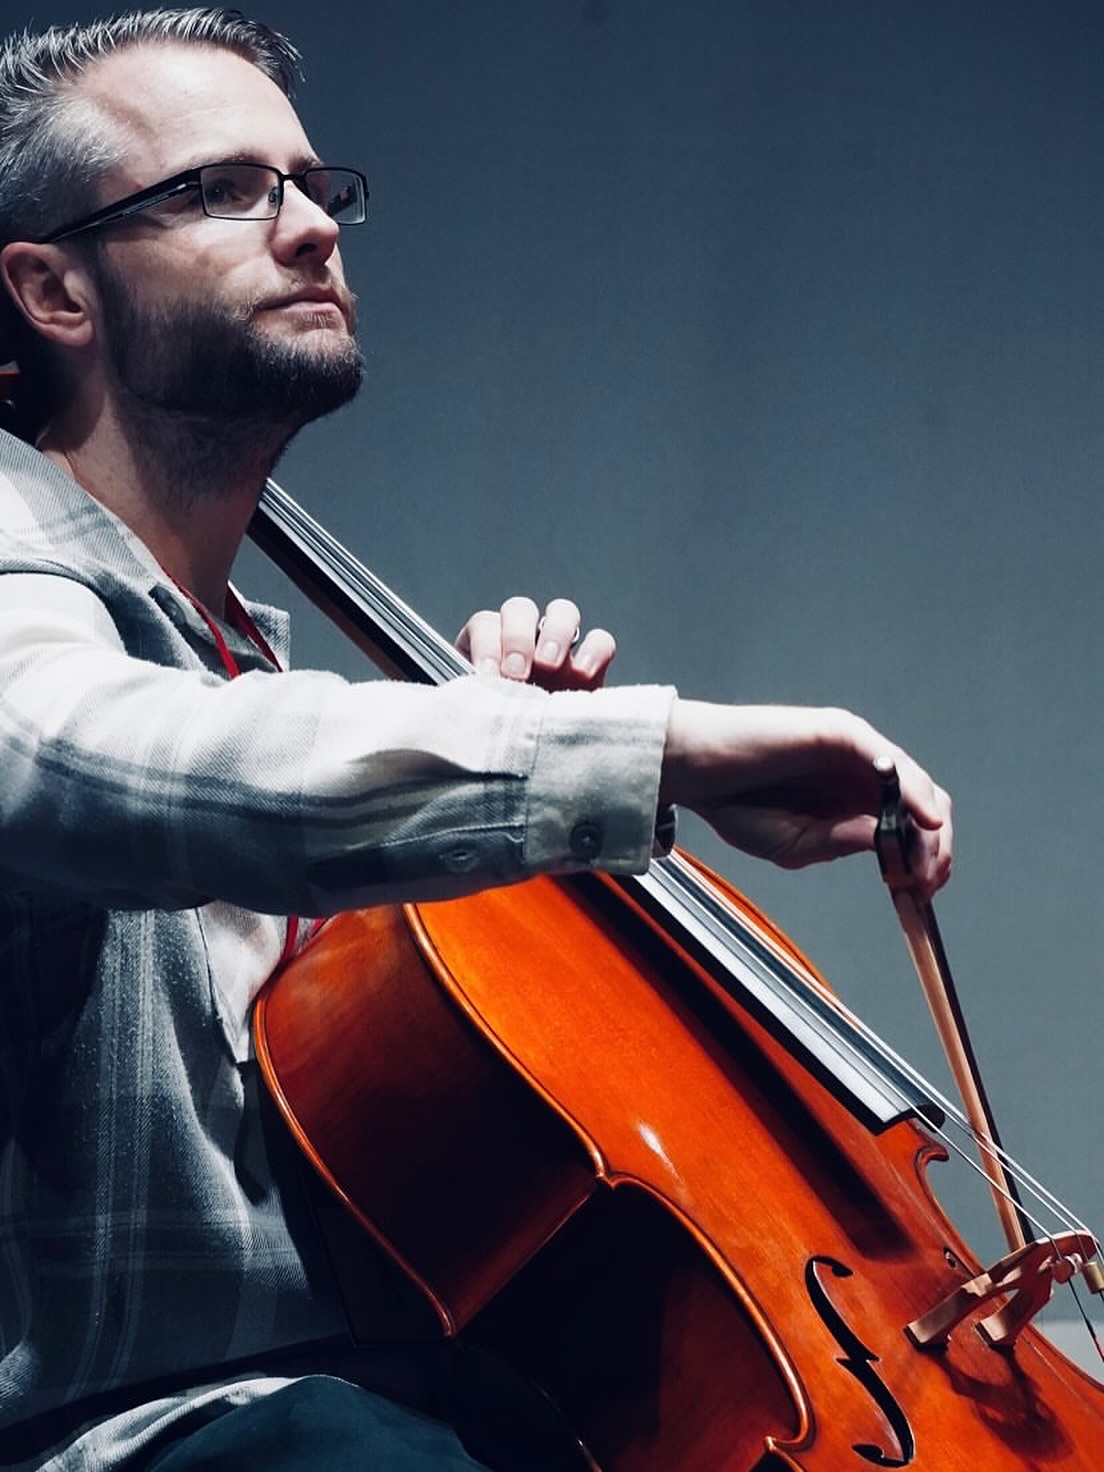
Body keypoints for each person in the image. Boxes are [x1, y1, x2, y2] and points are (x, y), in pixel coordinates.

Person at [0, 8, 952, 1469]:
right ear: (53, 290)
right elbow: (97, 759)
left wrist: (505, 860)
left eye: (315, 185)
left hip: (390, 1399)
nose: (311, 226)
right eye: (221, 190)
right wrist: (644, 756)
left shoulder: (247, 648)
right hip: (135, 1425)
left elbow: (347, 1097)